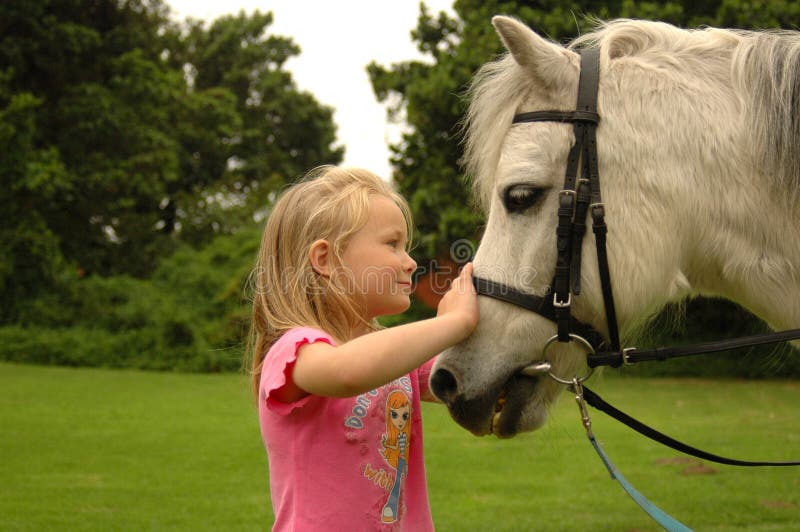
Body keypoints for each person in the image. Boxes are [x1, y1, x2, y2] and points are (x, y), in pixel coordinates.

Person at [246, 166, 478, 531]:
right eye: (392, 244)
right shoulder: (293, 349)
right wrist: (449, 324)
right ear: (325, 260)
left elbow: (471, 376)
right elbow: (347, 372)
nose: (410, 262)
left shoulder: (390, 360)